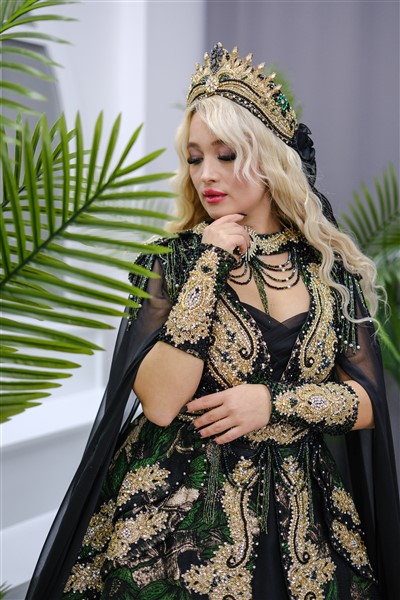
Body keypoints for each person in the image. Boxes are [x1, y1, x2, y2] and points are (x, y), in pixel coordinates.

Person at [26, 43, 399, 600]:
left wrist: (271, 403)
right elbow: (159, 403)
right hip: (182, 523)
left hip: (307, 520)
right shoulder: (171, 261)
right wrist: (209, 265)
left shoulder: (327, 266)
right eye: (194, 158)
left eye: (226, 155)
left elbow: (368, 402)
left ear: (270, 159)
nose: (206, 174)